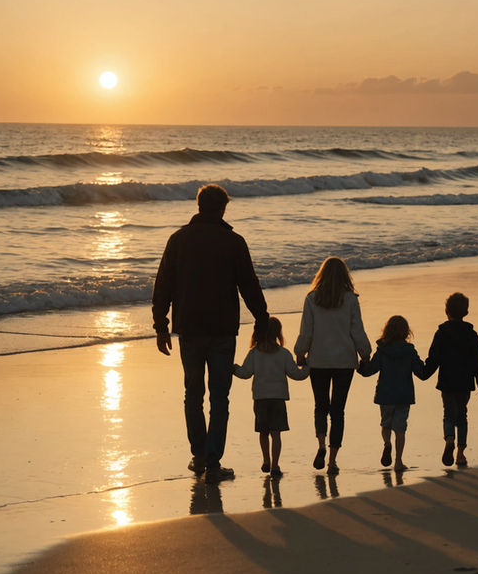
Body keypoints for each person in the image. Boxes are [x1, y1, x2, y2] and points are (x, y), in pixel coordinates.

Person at [152, 184, 269, 484]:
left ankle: (200, 455)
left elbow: (163, 284)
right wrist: (262, 318)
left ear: (199, 205)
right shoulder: (233, 241)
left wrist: (161, 326)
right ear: (222, 209)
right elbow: (249, 285)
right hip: (221, 330)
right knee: (220, 397)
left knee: (193, 393)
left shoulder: (178, 240)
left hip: (189, 329)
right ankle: (213, 462)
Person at [294, 257, 371, 474]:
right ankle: (332, 461)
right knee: (338, 411)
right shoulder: (351, 300)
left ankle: (320, 445)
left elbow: (306, 331)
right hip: (345, 361)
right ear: (345, 275)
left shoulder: (312, 298)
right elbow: (357, 331)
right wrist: (365, 354)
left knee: (321, 406)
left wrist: (300, 353)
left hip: (318, 360)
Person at [234, 317, 309, 477]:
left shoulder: (254, 352)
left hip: (260, 398)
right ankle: (275, 465)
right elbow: (297, 375)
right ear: (278, 333)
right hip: (278, 398)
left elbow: (245, 373)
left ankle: (266, 460)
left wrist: (232, 368)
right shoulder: (283, 353)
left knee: (263, 432)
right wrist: (309, 366)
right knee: (276, 433)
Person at [423, 292, 478, 467]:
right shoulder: (471, 334)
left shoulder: (442, 333)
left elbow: (434, 357)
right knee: (462, 415)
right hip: (465, 382)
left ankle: (449, 438)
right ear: (466, 312)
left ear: (446, 311)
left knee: (449, 414)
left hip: (447, 381)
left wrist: (423, 372)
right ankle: (460, 454)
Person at [359, 315, 425, 471]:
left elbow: (370, 370)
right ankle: (398, 461)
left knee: (385, 424)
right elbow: (421, 372)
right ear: (406, 332)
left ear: (386, 331)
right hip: (403, 395)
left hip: (385, 395)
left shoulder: (382, 350)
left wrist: (361, 364)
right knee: (400, 428)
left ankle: (386, 443)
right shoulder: (409, 351)